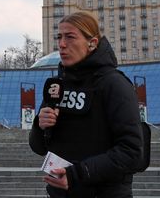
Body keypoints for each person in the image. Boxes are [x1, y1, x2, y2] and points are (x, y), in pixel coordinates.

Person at [29, 12, 143, 197]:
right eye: (59, 37)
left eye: (70, 37)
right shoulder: (57, 85)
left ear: (93, 43)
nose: (62, 44)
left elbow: (131, 152)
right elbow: (38, 147)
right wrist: (40, 126)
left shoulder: (114, 84)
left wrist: (76, 175)